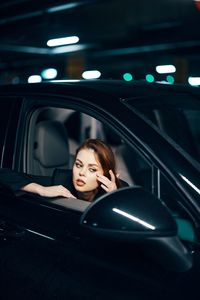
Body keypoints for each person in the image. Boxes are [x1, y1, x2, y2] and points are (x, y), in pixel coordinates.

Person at [0, 139, 128, 202]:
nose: (81, 172)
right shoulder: (61, 181)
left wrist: (114, 198)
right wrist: (42, 189)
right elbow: (3, 174)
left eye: (92, 169)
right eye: (78, 165)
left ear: (105, 174)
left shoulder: (119, 190)